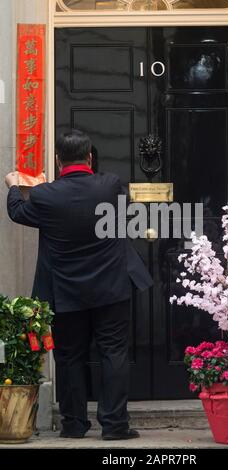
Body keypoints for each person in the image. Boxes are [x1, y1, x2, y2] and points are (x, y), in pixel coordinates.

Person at [5, 130, 152, 440]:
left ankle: (73, 425)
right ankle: (114, 426)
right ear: (89, 157)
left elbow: (18, 212)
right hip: (111, 288)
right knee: (114, 353)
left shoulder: (46, 195)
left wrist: (16, 185)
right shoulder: (109, 186)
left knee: (69, 356)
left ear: (58, 161)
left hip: (65, 291)